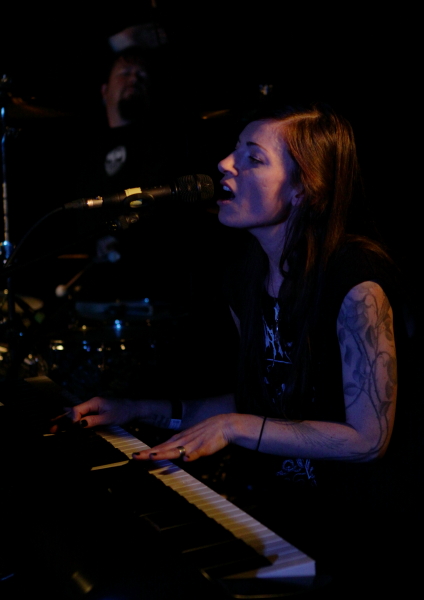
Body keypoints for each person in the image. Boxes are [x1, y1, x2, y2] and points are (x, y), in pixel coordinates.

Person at [60, 103, 418, 595]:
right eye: (233, 152)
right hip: (278, 518)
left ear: (304, 188)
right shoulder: (243, 278)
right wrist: (139, 409)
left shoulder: (356, 282)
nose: (225, 165)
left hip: (358, 536)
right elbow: (260, 401)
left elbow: (368, 438)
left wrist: (235, 426)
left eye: (253, 158)